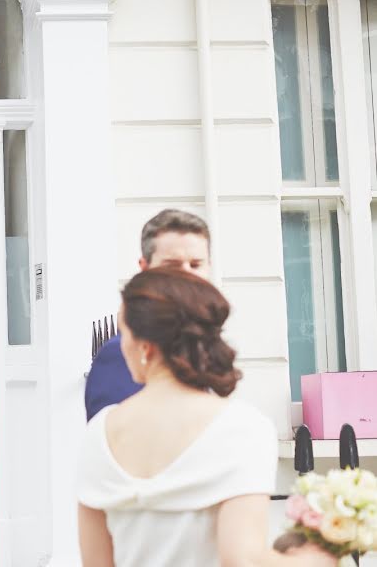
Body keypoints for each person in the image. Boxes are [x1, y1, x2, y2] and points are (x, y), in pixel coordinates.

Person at [76, 268, 335, 567]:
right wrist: (320, 557)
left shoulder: (100, 433)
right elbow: (244, 560)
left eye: (125, 334)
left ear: (145, 347)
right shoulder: (243, 428)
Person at [85, 209, 212, 421]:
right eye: (172, 265)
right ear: (145, 268)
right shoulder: (123, 354)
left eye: (196, 265)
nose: (186, 275)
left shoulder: (206, 342)